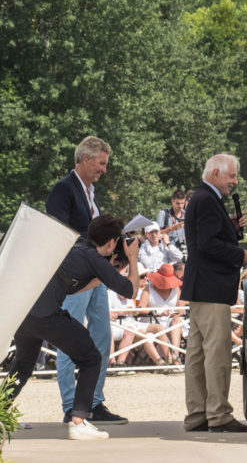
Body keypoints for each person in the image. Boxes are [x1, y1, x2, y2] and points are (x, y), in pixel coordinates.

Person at [3, 215, 139, 440]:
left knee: (23, 367)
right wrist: (132, 259)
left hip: (26, 313)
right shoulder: (94, 258)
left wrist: (106, 273)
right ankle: (79, 421)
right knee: (91, 358)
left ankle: (0, 409)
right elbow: (130, 291)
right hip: (47, 316)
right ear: (112, 243)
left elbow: (72, 287)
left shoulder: (77, 248)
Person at [45, 135, 127, 425]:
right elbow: (57, 231)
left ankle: (94, 402)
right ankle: (71, 405)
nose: (104, 170)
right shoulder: (63, 189)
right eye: (102, 164)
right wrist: (96, 246)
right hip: (73, 276)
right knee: (71, 339)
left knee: (103, 338)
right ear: (86, 159)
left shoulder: (90, 192)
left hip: (96, 273)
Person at [180, 154, 247, 433]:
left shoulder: (202, 198)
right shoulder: (207, 200)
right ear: (214, 173)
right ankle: (219, 415)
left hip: (201, 285)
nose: (235, 182)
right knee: (217, 352)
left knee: (198, 353)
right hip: (211, 286)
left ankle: (198, 414)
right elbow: (209, 244)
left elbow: (206, 240)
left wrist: (231, 229)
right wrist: (241, 255)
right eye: (231, 176)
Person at [139, 263, 186, 365]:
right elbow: (140, 309)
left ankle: (175, 357)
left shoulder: (176, 289)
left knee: (177, 321)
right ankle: (174, 360)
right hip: (152, 320)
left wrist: (175, 313)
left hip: (170, 321)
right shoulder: (148, 288)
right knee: (166, 325)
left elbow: (181, 309)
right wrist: (159, 313)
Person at [157, 189, 187, 254]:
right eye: (178, 203)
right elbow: (157, 233)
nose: (180, 206)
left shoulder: (186, 214)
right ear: (172, 201)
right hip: (167, 249)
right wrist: (172, 228)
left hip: (184, 249)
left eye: (182, 203)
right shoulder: (163, 214)